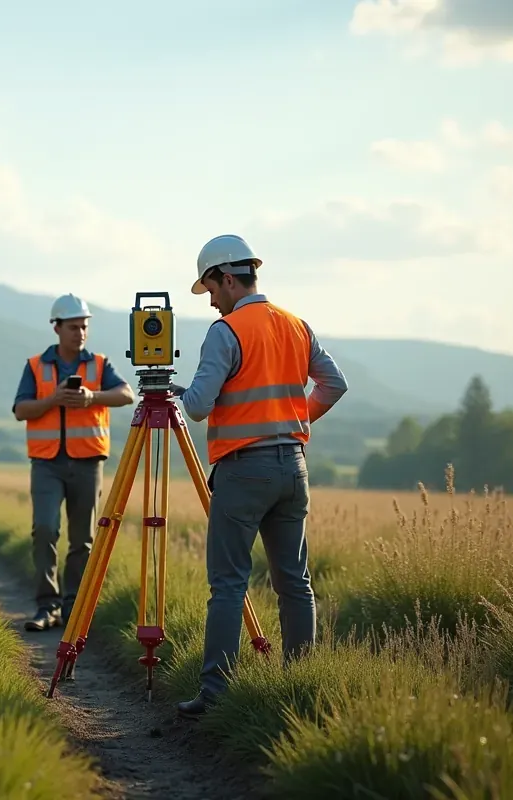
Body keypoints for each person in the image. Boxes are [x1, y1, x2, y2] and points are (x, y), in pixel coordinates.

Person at [169, 234, 349, 716]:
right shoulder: (296, 325)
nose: (210, 301)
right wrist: (297, 420)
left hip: (244, 470)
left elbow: (200, 406)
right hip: (293, 466)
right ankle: (300, 684)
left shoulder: (226, 332)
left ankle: (215, 694)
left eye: (210, 289)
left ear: (228, 278)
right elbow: (335, 384)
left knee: (228, 584)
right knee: (295, 581)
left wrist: (179, 394)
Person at [13, 293, 135, 632]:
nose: (80, 333)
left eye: (84, 327)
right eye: (73, 327)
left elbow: (127, 394)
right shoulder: (36, 366)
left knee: (83, 540)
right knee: (45, 530)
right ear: (57, 327)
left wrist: (91, 398)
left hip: (87, 462)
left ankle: (73, 608)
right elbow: (21, 409)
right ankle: (46, 606)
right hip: (47, 464)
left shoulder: (99, 364)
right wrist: (53, 399)